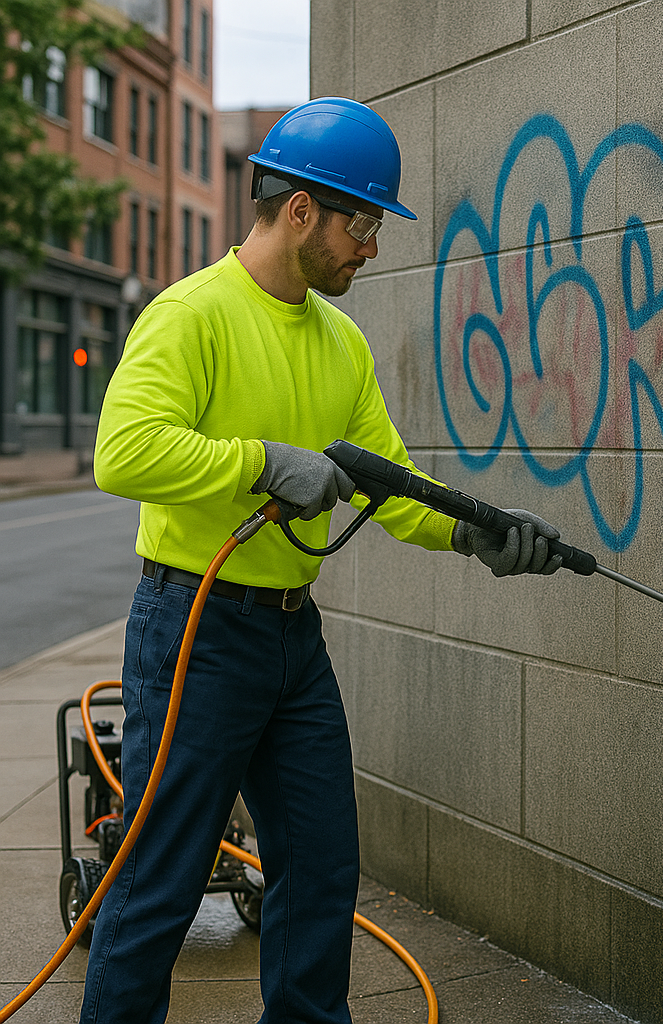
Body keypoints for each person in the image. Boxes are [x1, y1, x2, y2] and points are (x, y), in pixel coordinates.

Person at [81, 97, 562, 1024]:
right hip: (193, 631)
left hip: (292, 641)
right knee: (162, 879)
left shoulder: (341, 343)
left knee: (321, 864)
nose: (370, 248)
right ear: (300, 209)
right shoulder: (192, 315)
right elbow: (124, 453)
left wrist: (473, 532)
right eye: (362, 224)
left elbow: (390, 483)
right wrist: (263, 462)